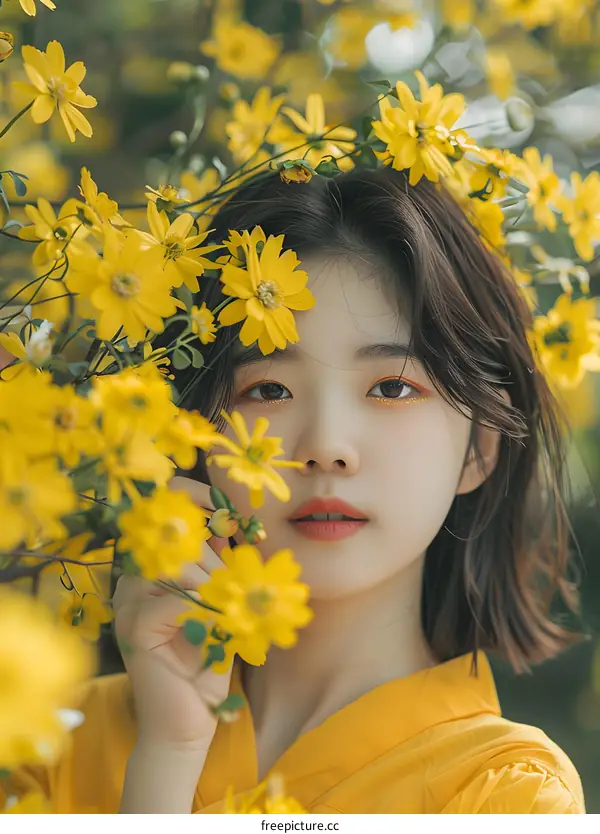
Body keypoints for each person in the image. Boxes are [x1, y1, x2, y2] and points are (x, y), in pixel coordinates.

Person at [2, 167, 587, 814]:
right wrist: (166, 758)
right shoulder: (48, 739)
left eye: (393, 387)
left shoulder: (505, 796)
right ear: (188, 435)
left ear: (480, 447)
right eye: (267, 390)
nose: (326, 446)